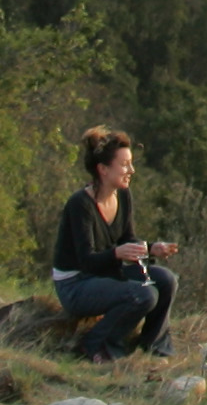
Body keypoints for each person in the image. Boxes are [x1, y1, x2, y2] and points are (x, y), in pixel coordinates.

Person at [51, 124, 177, 360]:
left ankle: (154, 346)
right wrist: (117, 254)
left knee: (166, 281)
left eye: (131, 163)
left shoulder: (123, 194)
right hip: (76, 284)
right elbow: (87, 261)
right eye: (124, 164)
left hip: (106, 272)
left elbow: (127, 239)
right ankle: (97, 345)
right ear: (103, 169)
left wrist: (151, 248)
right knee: (143, 295)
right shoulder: (81, 205)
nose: (131, 170)